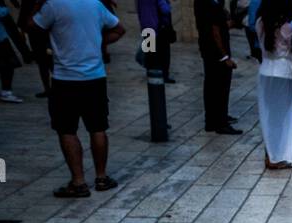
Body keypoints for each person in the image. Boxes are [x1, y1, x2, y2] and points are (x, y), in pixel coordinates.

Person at [33, 0, 123, 195]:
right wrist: (97, 41)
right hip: (95, 77)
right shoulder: (95, 5)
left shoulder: (53, 6)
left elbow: (33, 27)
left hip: (65, 79)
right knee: (98, 127)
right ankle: (101, 177)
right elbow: (119, 29)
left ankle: (78, 182)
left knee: (66, 130)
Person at [256, 0, 292, 168]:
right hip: (283, 71)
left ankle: (270, 153)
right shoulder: (287, 28)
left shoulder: (260, 23)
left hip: (265, 70)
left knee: (270, 114)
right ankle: (279, 155)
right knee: (284, 116)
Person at [195, 0, 240, 132]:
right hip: (216, 52)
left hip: (208, 49)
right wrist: (225, 56)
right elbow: (214, 30)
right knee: (220, 86)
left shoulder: (208, 4)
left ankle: (212, 120)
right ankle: (221, 123)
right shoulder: (210, 4)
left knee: (211, 85)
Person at [18, 0, 53, 96]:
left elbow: (24, 14)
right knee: (46, 62)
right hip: (41, 32)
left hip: (39, 31)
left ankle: (48, 88)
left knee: (44, 63)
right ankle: (48, 88)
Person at [136, 0, 175, 84]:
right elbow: (165, 10)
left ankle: (151, 74)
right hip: (158, 28)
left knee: (150, 54)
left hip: (146, 26)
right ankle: (164, 76)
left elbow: (139, 10)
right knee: (163, 53)